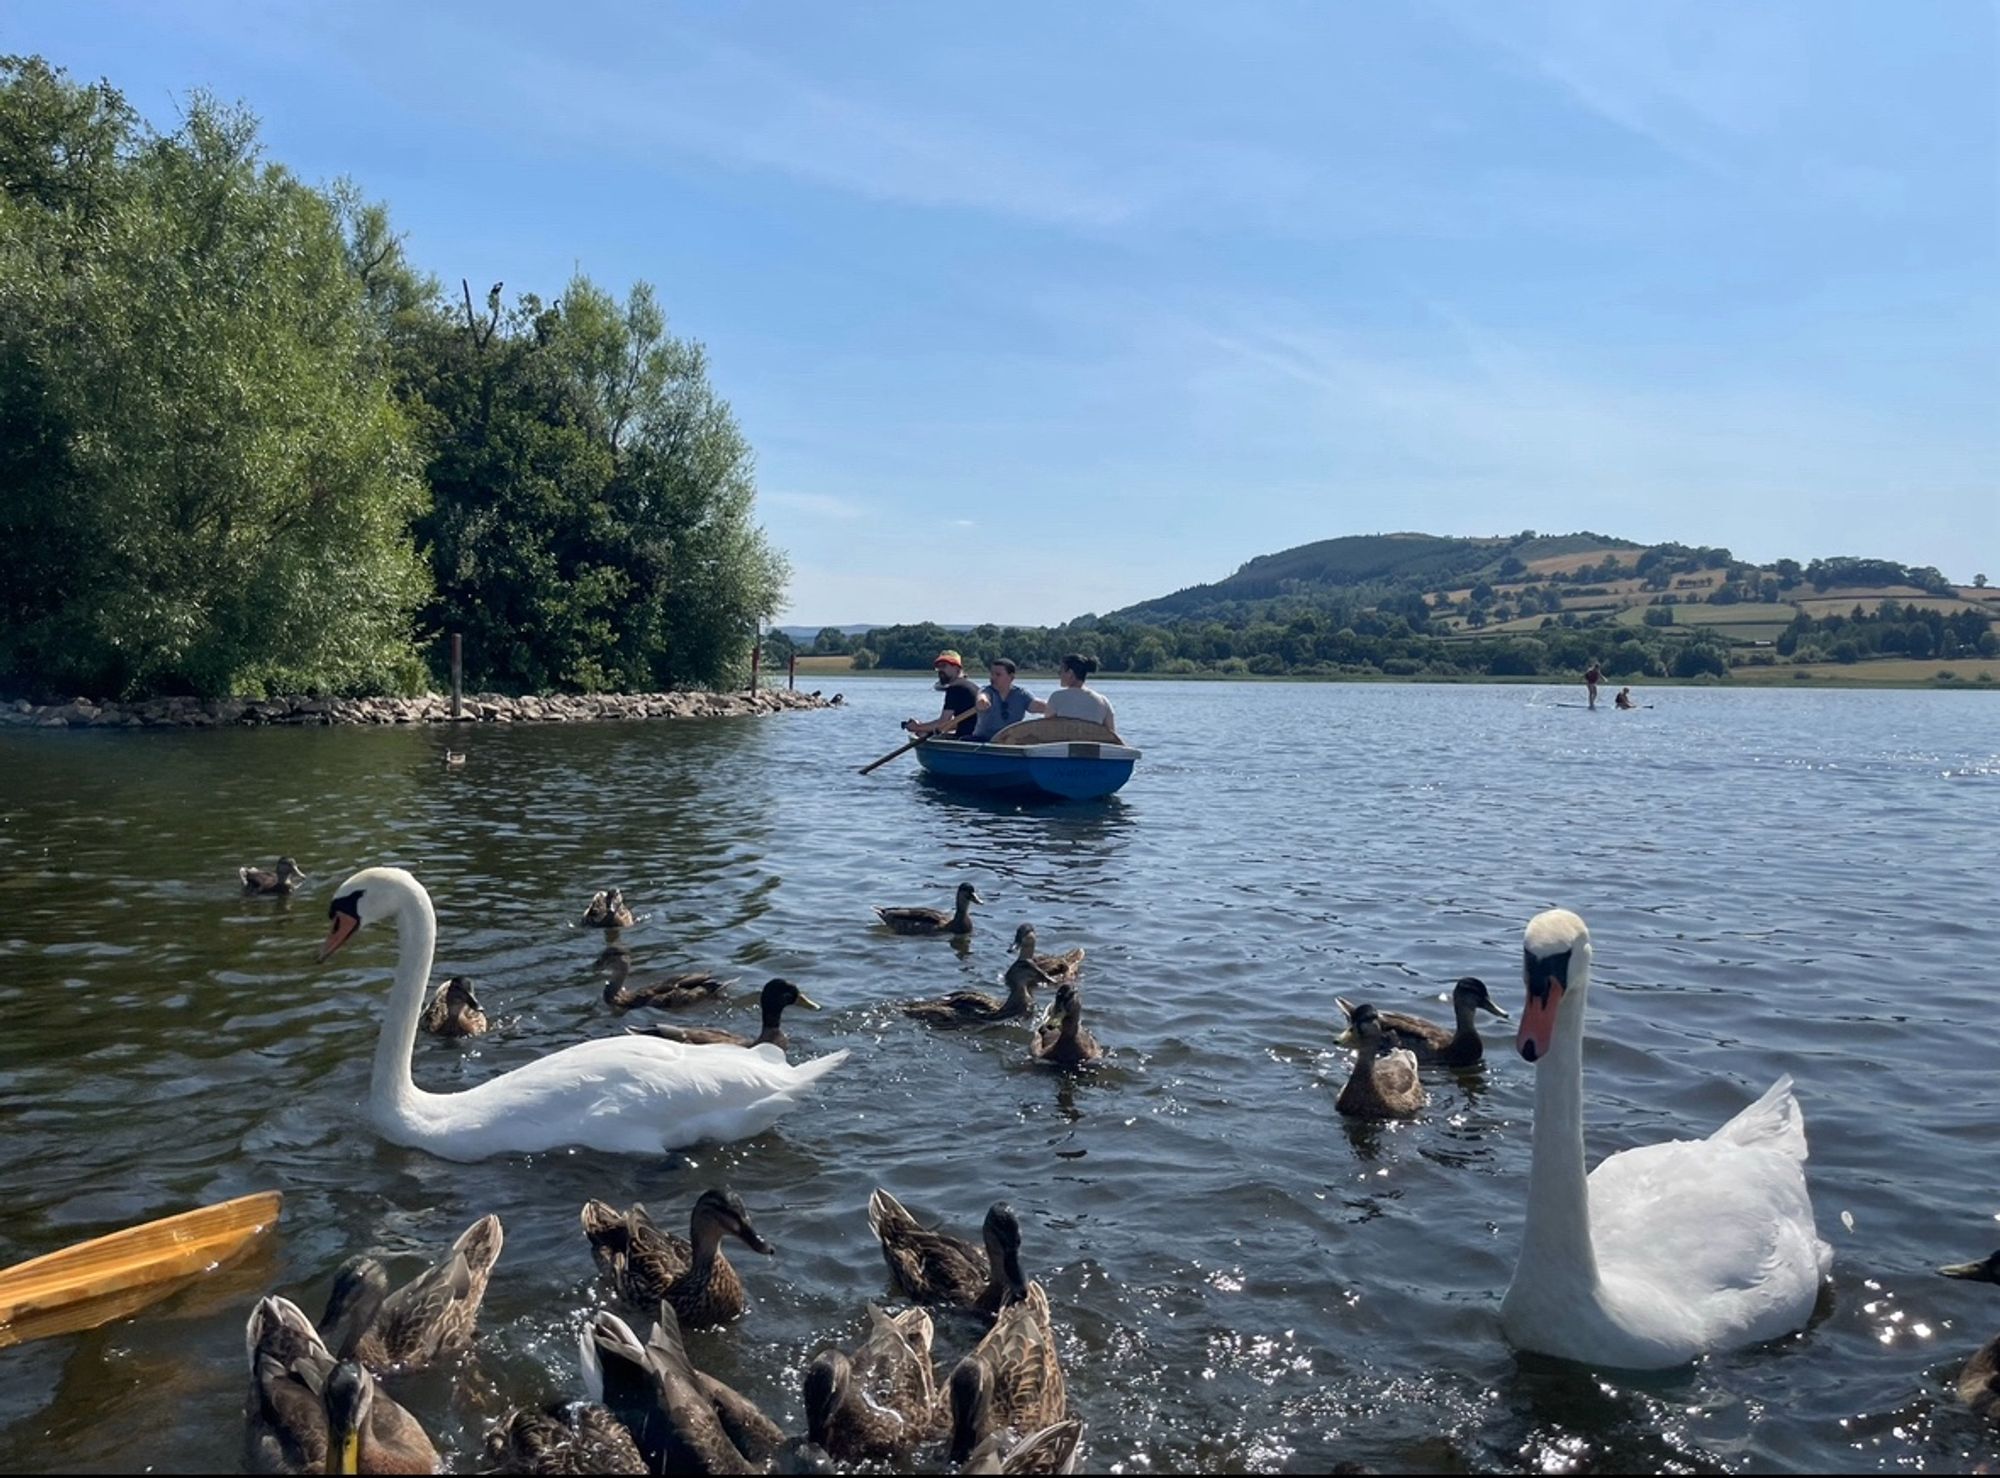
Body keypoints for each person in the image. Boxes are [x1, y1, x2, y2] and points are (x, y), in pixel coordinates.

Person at [1031, 653, 1121, 740]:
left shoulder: (1056, 697)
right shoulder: (1103, 701)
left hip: (1061, 751)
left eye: (1061, 671)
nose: (1059, 675)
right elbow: (1112, 736)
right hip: (1091, 752)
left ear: (1070, 673)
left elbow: (1046, 730)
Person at [901, 651, 979, 739]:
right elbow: (957, 723)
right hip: (974, 736)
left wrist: (917, 727)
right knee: (923, 733)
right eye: (938, 667)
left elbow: (943, 724)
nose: (940, 670)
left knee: (921, 734)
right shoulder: (970, 686)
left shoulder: (956, 689)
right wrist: (924, 728)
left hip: (968, 739)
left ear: (957, 668)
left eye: (944, 666)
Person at [969, 657, 1034, 742]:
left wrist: (1053, 707)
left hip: (1009, 742)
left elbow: (1037, 705)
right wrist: (982, 701)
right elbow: (982, 697)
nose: (993, 678)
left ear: (1011, 677)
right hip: (983, 740)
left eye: (998, 675)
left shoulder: (1021, 695)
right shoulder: (986, 690)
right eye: (992, 674)